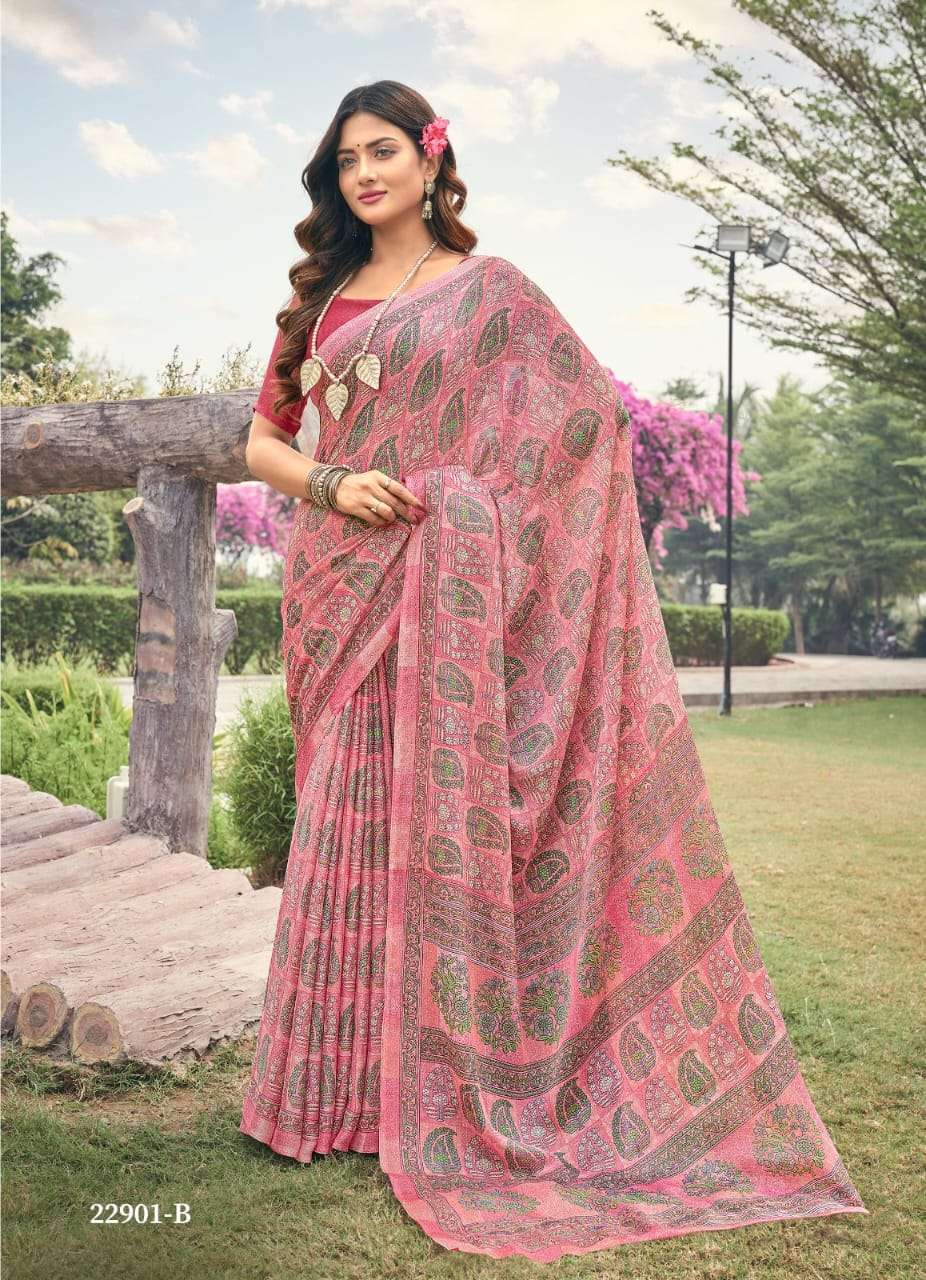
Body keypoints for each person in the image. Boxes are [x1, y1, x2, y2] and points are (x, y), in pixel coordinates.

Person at [239, 79, 866, 1262]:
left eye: (383, 151)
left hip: (444, 591)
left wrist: (460, 505)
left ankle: (439, 1099)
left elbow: (586, 420)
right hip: (345, 587)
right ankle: (330, 1099)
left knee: (432, 829)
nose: (363, 173)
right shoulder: (317, 303)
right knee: (346, 820)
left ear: (431, 161)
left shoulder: (494, 293)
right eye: (345, 159)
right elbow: (262, 441)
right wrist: (331, 483)